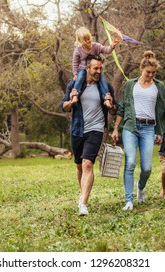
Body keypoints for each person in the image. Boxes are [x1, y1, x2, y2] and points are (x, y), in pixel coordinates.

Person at [61, 55, 118, 216]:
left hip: (96, 129)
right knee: (79, 165)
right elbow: (64, 106)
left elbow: (115, 109)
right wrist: (71, 102)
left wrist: (110, 104)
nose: (98, 71)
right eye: (95, 68)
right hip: (78, 130)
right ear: (87, 69)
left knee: (87, 164)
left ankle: (83, 204)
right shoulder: (75, 84)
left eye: (101, 68)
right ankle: (83, 195)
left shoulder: (105, 87)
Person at [111, 50, 165, 211]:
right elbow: (122, 108)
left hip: (149, 128)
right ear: (141, 69)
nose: (151, 75)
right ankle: (129, 200)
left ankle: (140, 187)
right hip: (131, 127)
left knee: (147, 168)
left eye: (153, 72)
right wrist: (116, 128)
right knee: (129, 163)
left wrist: (160, 132)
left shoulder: (159, 86)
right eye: (148, 72)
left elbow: (162, 110)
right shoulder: (130, 85)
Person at [72, 27, 120, 108]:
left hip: (95, 69)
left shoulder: (96, 46)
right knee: (80, 78)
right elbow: (75, 62)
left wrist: (112, 46)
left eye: (89, 38)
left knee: (103, 80)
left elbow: (106, 50)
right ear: (81, 41)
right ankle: (75, 94)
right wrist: (75, 74)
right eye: (85, 40)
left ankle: (107, 99)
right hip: (83, 68)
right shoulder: (78, 50)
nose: (88, 41)